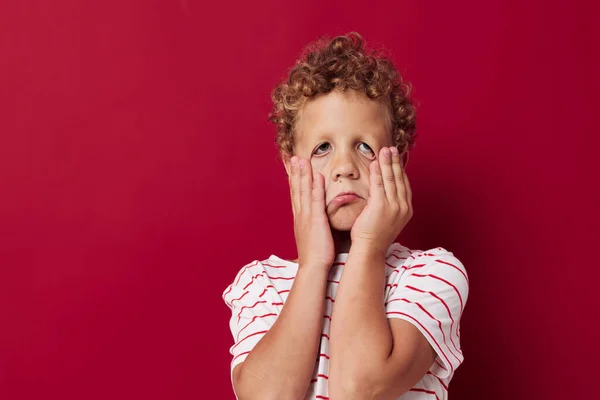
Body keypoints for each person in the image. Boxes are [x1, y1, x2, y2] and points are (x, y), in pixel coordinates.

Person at [222, 32, 469, 400]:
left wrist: (368, 246)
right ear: (293, 169)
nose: (344, 167)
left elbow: (358, 389)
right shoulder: (260, 284)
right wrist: (313, 265)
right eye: (323, 147)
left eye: (364, 147)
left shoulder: (431, 275)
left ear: (396, 162)